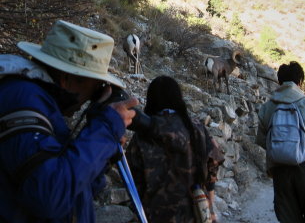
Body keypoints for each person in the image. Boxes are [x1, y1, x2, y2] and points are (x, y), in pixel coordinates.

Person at [0, 20, 138, 222]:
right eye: (96, 85)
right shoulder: (22, 99)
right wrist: (106, 128)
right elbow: (50, 197)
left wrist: (101, 152)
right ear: (67, 78)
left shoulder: (44, 105)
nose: (92, 96)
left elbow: (75, 192)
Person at [126, 75, 224, 223]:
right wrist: (210, 209)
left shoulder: (142, 135)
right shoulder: (196, 128)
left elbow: (133, 178)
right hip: (194, 213)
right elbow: (213, 165)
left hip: (156, 214)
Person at [256, 61, 305, 223]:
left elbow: (262, 140)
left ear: (279, 82)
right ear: (300, 81)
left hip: (280, 171)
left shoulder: (267, 107)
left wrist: (281, 148)